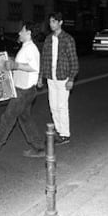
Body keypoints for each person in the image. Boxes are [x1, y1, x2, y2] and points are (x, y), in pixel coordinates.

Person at [0, 21, 45, 158]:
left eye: (22, 30)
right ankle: (39, 148)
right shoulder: (27, 47)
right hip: (26, 90)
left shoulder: (30, 48)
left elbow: (33, 67)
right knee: (25, 118)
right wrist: (10, 61)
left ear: (29, 33)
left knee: (8, 117)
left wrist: (15, 64)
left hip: (23, 91)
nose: (19, 33)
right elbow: (24, 64)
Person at [38, 12, 79, 145]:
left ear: (60, 23)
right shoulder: (48, 39)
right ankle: (58, 131)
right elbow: (44, 59)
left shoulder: (68, 39)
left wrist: (71, 79)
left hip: (63, 78)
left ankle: (65, 134)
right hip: (51, 77)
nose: (51, 24)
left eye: (54, 22)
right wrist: (40, 77)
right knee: (53, 106)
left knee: (62, 106)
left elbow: (74, 61)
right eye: (50, 22)